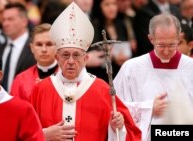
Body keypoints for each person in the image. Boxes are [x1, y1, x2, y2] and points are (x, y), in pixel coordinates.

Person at [30, 2, 141, 141]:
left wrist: (117, 127)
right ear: (57, 57)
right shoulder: (41, 90)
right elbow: (24, 132)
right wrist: (44, 135)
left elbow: (131, 133)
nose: (70, 61)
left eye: (76, 55)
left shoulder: (102, 90)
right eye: (65, 55)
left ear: (85, 58)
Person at [113, 13, 193, 141]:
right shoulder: (131, 69)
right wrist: (149, 109)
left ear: (179, 38)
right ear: (151, 39)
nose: (166, 51)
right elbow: (115, 107)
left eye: (172, 45)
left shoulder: (190, 68)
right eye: (161, 45)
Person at [11, 23, 58, 101]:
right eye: (39, 45)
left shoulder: (67, 76)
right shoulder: (21, 80)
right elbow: (15, 109)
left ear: (57, 46)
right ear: (32, 48)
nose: (44, 50)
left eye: (49, 44)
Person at [1, 3, 36, 92]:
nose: (5, 23)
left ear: (24, 21)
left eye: (10, 19)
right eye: (3, 20)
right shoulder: (0, 48)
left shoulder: (35, 48)